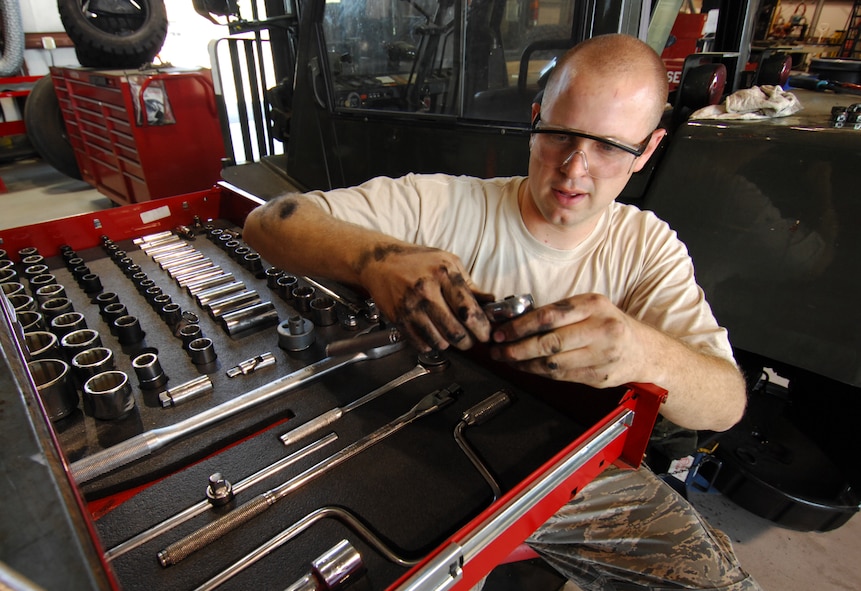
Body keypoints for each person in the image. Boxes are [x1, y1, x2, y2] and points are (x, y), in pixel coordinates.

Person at [244, 33, 760, 591]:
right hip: (413, 446)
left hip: (561, 477)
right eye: (560, 134)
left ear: (649, 150)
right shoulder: (438, 206)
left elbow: (726, 404)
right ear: (534, 120)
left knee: (714, 581)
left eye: (610, 147)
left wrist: (645, 351)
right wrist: (378, 259)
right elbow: (268, 222)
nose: (574, 169)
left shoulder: (646, 249)